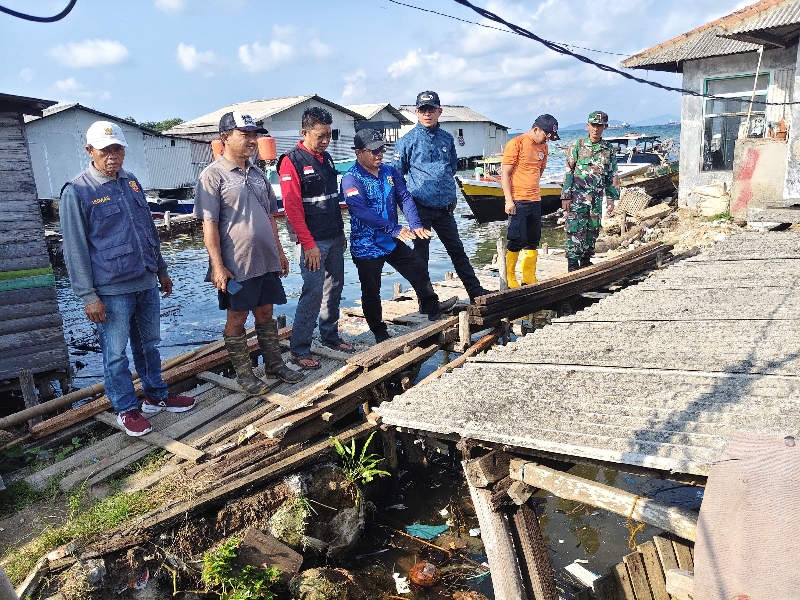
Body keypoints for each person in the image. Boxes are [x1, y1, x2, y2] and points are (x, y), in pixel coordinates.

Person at [60, 121, 196, 437]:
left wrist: (161, 270)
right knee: (115, 353)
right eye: (105, 150)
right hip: (111, 289)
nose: (113, 155)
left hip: (145, 280)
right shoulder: (78, 191)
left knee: (149, 344)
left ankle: (156, 396)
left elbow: (148, 231)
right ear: (89, 151)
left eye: (118, 148)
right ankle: (125, 408)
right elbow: (75, 249)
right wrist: (87, 296)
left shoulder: (131, 182)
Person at [194, 111, 303, 395]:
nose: (252, 140)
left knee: (266, 312)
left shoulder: (257, 174)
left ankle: (274, 365)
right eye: (245, 134)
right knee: (237, 318)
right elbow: (210, 225)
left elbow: (270, 216)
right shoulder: (212, 176)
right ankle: (244, 374)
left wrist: (280, 251)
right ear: (225, 137)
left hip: (265, 259)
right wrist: (217, 266)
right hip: (237, 263)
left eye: (255, 134)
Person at [343, 129, 458, 343]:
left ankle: (431, 307)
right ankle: (379, 331)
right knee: (371, 291)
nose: (379, 154)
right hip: (367, 245)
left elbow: (404, 197)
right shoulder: (351, 178)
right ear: (359, 152)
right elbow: (360, 211)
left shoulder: (389, 172)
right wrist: (394, 229)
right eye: (374, 150)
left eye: (382, 149)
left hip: (391, 241)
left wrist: (414, 224)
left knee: (418, 267)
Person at [393, 91, 489, 302]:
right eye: (423, 110)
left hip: (445, 208)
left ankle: (475, 292)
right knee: (421, 258)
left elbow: (452, 167)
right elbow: (397, 177)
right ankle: (426, 302)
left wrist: (448, 193)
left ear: (439, 111)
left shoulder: (447, 138)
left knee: (458, 251)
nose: (427, 114)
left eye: (431, 110)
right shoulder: (407, 142)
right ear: (417, 112)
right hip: (419, 208)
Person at [278, 107, 353, 370]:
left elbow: (333, 201)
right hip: (313, 242)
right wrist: (308, 245)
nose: (325, 140)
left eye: (329, 135)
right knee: (312, 293)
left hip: (333, 236)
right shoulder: (291, 161)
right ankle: (299, 349)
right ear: (305, 132)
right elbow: (293, 208)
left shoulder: (327, 158)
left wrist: (341, 231)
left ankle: (330, 335)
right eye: (320, 135)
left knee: (335, 287)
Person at [500, 114, 560, 287]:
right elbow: (505, 173)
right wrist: (508, 200)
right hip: (518, 198)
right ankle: (510, 277)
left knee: (533, 239)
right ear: (536, 129)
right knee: (517, 238)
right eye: (545, 135)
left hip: (535, 198)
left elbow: (539, 171)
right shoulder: (517, 143)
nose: (546, 140)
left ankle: (528, 276)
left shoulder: (544, 147)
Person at [560, 111, 620, 272]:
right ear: (588, 126)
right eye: (593, 125)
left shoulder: (608, 149)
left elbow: (612, 174)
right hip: (576, 198)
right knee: (575, 228)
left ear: (605, 127)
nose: (596, 129)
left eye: (600, 126)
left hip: (596, 199)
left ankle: (586, 260)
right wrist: (565, 196)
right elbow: (568, 172)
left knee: (592, 229)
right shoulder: (577, 146)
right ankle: (572, 264)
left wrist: (611, 198)